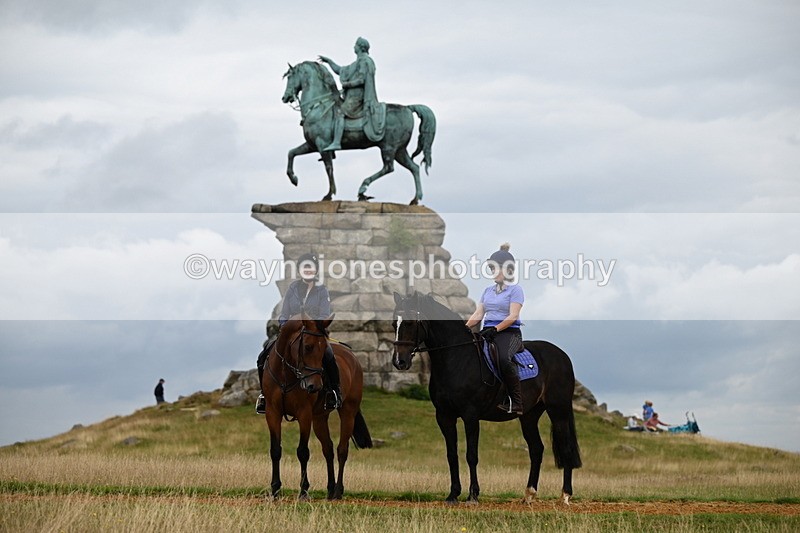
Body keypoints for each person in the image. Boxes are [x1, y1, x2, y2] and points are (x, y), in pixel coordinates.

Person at [255, 252, 340, 414]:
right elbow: (284, 313)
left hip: (313, 333)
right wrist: (284, 326)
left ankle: (333, 392)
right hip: (291, 333)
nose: (308, 270)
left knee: (329, 356)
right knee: (263, 355)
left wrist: (313, 325)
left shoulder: (322, 291)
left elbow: (324, 314)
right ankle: (264, 395)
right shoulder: (292, 289)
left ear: (316, 270)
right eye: (305, 267)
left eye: (311, 267)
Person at [465, 243, 524, 415]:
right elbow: (479, 313)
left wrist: (496, 329)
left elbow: (513, 316)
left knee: (504, 359)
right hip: (488, 332)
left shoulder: (516, 290)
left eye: (496, 268)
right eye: (491, 268)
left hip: (509, 333)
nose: (493, 272)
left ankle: (516, 402)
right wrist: (465, 328)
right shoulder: (487, 291)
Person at [318, 36, 386, 151]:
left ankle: (336, 142)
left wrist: (347, 85)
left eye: (355, 45)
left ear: (360, 47)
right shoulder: (357, 63)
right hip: (351, 96)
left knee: (340, 113)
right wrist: (329, 61)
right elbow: (340, 70)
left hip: (357, 97)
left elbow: (361, 80)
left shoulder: (365, 61)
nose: (354, 47)